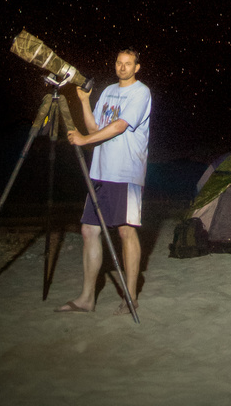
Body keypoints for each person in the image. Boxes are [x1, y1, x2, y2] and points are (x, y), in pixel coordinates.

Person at [57, 48, 151, 314]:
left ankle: (130, 297)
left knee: (125, 231)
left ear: (137, 67)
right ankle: (87, 299)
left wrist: (85, 141)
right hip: (99, 172)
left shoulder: (140, 92)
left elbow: (121, 125)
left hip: (125, 172)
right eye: (119, 63)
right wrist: (85, 102)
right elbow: (94, 129)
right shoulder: (108, 91)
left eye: (128, 63)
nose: (122, 67)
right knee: (89, 230)